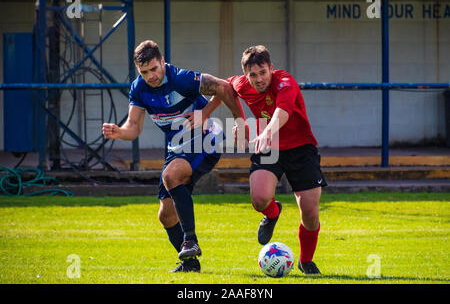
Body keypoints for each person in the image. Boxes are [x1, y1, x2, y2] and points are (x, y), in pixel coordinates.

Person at [102, 40, 242, 273]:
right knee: (166, 216)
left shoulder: (180, 78)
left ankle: (190, 240)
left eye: (154, 69)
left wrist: (212, 115)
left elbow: (225, 86)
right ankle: (190, 264)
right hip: (177, 148)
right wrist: (119, 132)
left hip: (205, 138)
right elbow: (134, 127)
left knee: (171, 175)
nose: (151, 76)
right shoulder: (139, 88)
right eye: (144, 72)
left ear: (162, 62)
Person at [226, 45, 327, 275]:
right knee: (260, 199)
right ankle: (272, 213)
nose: (259, 79)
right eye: (253, 75)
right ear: (246, 76)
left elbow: (283, 110)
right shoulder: (241, 83)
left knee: (310, 213)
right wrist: (236, 120)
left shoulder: (285, 81)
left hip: (300, 148)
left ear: (271, 68)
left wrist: (266, 133)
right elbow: (224, 88)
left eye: (263, 72)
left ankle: (306, 261)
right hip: (269, 147)